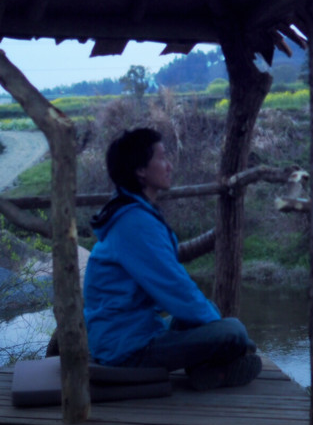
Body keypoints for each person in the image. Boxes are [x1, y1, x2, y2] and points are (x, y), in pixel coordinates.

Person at [83, 127, 261, 390]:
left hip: (130, 332)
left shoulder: (131, 213)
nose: (169, 165)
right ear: (140, 170)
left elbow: (178, 295)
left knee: (206, 311)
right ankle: (214, 368)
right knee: (232, 330)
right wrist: (235, 339)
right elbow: (176, 289)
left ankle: (207, 371)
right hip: (127, 350)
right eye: (162, 158)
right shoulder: (134, 223)